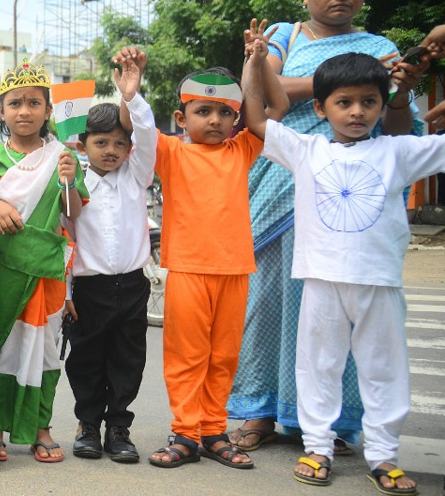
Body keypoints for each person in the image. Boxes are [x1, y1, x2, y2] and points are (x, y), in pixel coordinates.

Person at [229, 0, 427, 453]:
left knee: (339, 319)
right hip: (283, 180)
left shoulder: (381, 46)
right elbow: (256, 96)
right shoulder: (283, 38)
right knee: (266, 301)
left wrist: (398, 92)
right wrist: (336, 80)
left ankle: (330, 422)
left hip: (352, 196)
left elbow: (397, 130)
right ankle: (260, 410)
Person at [242, 35, 434, 494]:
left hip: (379, 284)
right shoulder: (307, 150)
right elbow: (254, 120)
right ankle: (317, 448)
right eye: (343, 102)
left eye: (369, 101)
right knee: (317, 366)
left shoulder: (400, 152)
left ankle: (384, 456)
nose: (357, 112)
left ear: (382, 105)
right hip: (321, 283)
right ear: (322, 110)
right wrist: (254, 64)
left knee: (384, 368)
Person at [144, 57, 287, 469]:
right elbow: (136, 125)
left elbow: (276, 112)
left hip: (235, 270)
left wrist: (256, 69)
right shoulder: (170, 151)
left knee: (223, 356)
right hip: (188, 270)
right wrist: (131, 90)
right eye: (203, 111)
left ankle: (213, 431)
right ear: (180, 117)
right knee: (187, 356)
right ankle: (185, 434)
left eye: (226, 112)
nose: (215, 120)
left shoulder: (242, 148)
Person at [0, 60, 86, 463]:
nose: (25, 111)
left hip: (50, 272)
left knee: (45, 350)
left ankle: (42, 429)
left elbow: (73, 213)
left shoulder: (63, 155)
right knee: (4, 348)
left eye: (35, 103)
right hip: (7, 271)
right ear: (2, 111)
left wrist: (70, 179)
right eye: (16, 103)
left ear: (48, 111)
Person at [61, 47, 156, 464]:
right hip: (89, 288)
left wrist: (131, 97)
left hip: (132, 286)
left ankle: (119, 428)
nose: (111, 150)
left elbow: (148, 135)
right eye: (101, 142)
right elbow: (64, 233)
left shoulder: (137, 176)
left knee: (128, 359)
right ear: (84, 145)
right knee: (86, 360)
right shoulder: (73, 181)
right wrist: (66, 292)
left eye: (120, 143)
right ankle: (87, 426)